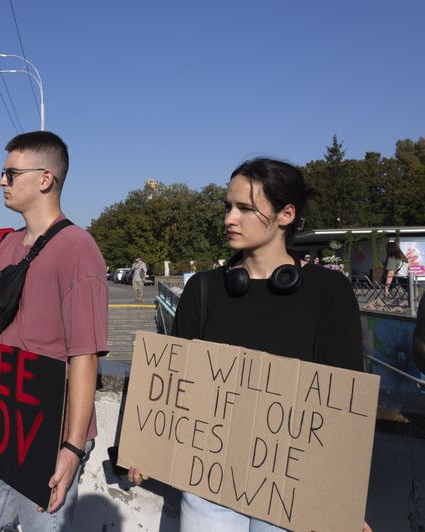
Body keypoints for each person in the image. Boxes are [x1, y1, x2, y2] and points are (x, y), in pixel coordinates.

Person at [127, 158, 369, 531]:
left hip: (293, 493)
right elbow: (176, 386)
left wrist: (343, 500)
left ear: (286, 214)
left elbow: (343, 399)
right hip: (207, 487)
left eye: (244, 208)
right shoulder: (203, 289)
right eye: (228, 207)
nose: (229, 218)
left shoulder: (329, 292)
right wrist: (148, 448)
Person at [0, 132, 108, 531]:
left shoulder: (77, 248)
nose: (1, 181)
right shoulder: (7, 246)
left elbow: (84, 354)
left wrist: (72, 447)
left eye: (10, 173)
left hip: (49, 433)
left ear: (44, 179)